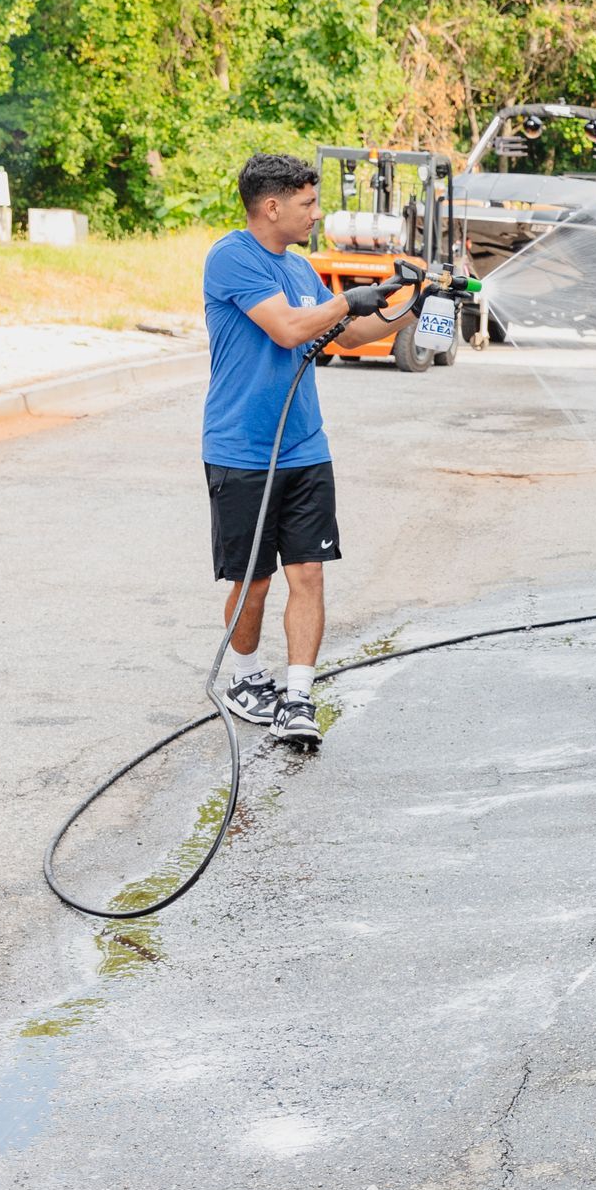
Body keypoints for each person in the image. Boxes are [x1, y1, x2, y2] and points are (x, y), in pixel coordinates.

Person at [202, 154, 417, 748]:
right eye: (307, 204)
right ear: (272, 206)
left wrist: (411, 306)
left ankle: (298, 695)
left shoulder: (299, 270)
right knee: (254, 581)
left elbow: (346, 335)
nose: (316, 215)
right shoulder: (232, 258)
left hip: (303, 446)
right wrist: (350, 299)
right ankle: (246, 680)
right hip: (243, 449)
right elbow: (291, 330)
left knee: (309, 572)